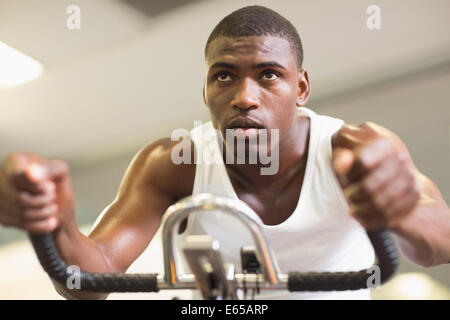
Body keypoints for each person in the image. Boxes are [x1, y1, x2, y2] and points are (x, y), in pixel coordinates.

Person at [0, 6, 449, 300]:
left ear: (302, 88)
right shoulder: (173, 163)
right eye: (224, 76)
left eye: (269, 75)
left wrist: (404, 209)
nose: (244, 97)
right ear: (206, 89)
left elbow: (441, 246)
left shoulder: (355, 151)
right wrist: (53, 223)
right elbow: (88, 282)